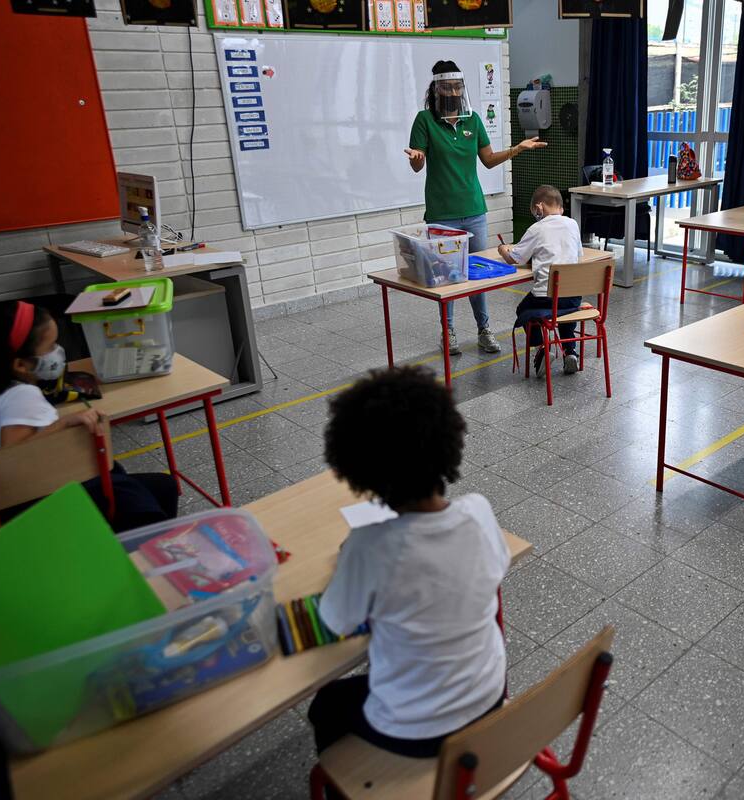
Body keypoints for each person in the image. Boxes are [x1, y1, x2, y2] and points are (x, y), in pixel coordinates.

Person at [309, 366, 510, 758]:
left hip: (417, 734)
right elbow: (492, 570)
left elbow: (334, 621)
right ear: (449, 443)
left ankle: (353, 782)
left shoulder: (368, 545)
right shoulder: (478, 511)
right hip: (489, 696)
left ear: (359, 472)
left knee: (327, 704)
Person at [0, 301, 177, 531]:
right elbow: (13, 455)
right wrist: (63, 423)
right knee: (134, 493)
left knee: (155, 486)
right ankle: (150, 554)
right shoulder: (23, 395)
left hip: (4, 505)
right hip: (39, 503)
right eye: (51, 345)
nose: (58, 351)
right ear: (21, 365)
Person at [405, 60, 546, 356]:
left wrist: (517, 149)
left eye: (457, 86)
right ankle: (449, 331)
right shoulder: (424, 120)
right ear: (436, 89)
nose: (453, 91)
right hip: (442, 213)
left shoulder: (473, 120)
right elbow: (418, 165)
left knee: (476, 275)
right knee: (446, 277)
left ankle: (484, 329)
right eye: (447, 87)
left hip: (474, 211)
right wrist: (417, 159)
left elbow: (488, 159)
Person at [498, 185, 585, 377]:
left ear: (539, 207)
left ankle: (542, 349)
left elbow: (514, 259)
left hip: (545, 295)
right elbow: (577, 255)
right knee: (563, 311)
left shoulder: (536, 228)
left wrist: (503, 248)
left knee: (523, 309)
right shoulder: (572, 224)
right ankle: (570, 352)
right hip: (573, 296)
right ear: (560, 208)